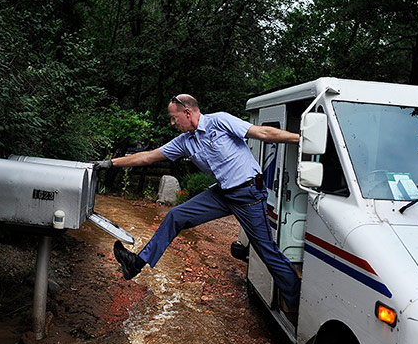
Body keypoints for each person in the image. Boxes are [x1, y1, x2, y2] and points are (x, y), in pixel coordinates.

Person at [102, 94, 301, 311]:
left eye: (173, 117)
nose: (172, 123)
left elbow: (262, 132)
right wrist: (110, 163)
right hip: (223, 193)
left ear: (187, 112)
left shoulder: (220, 121)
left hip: (248, 193)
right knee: (175, 216)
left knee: (265, 249)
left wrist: (301, 139)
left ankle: (294, 299)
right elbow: (147, 157)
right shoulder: (185, 142)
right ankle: (135, 264)